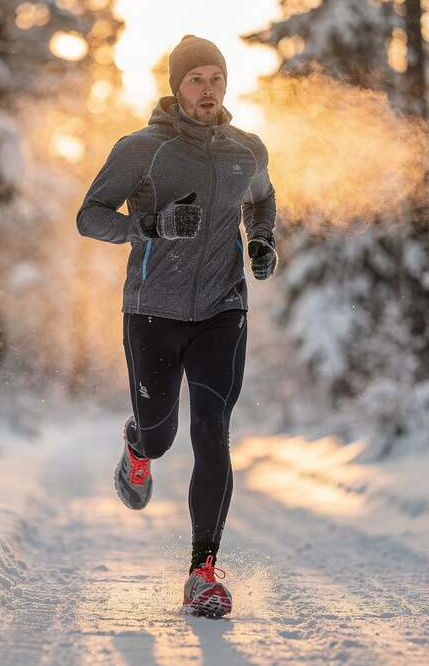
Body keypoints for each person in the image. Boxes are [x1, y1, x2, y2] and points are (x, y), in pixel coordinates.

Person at [75, 35, 278, 618]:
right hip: (152, 312)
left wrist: (262, 241)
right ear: (176, 87)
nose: (207, 88)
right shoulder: (144, 149)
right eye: (196, 79)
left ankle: (203, 574)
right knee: (161, 433)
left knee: (212, 431)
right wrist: (153, 225)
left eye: (216, 77)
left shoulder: (247, 150)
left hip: (222, 310)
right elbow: (89, 218)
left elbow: (262, 202)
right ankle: (137, 448)